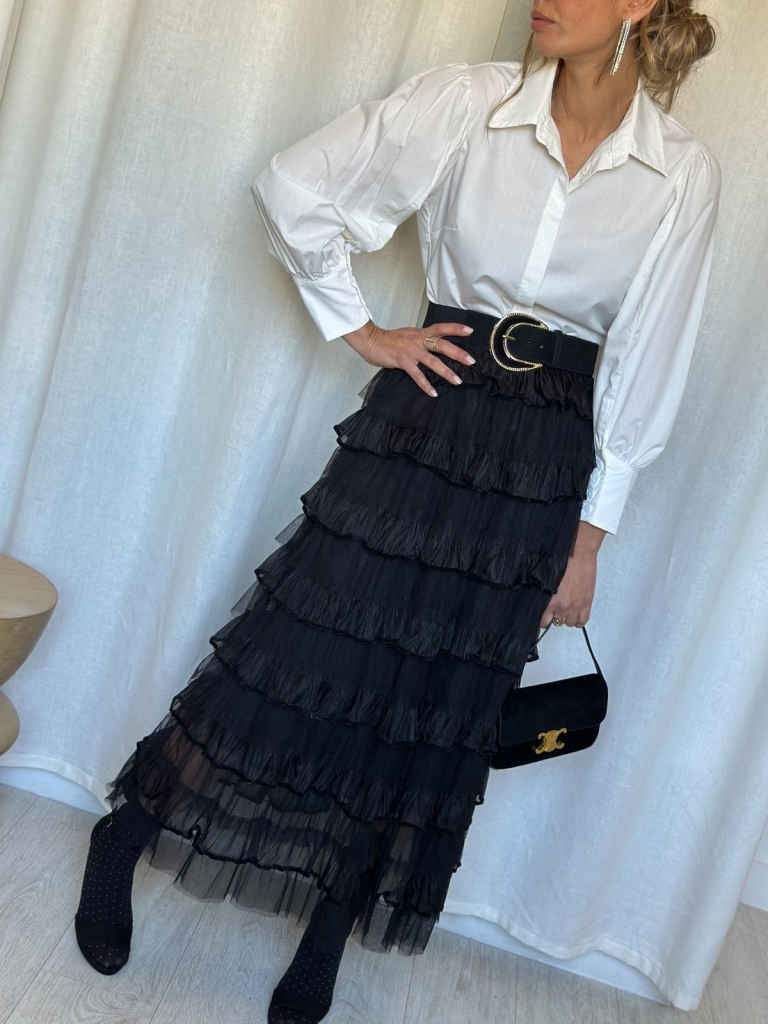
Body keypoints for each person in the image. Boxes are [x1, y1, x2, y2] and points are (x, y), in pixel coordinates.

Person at [73, 2, 721, 1022]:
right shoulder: (468, 103)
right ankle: (129, 831)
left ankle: (330, 927)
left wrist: (590, 538)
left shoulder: (679, 173)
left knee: (437, 703)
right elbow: (293, 188)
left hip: (544, 462)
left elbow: (649, 362)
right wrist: (363, 329)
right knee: (298, 652)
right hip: (428, 413)